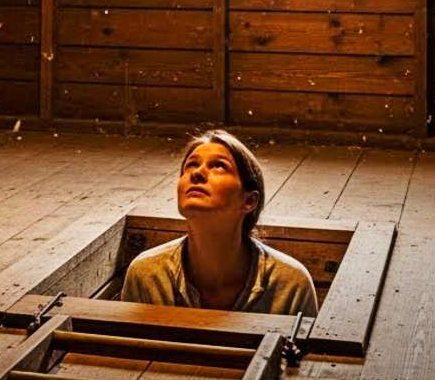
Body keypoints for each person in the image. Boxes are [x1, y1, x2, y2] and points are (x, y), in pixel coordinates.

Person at [120, 130, 318, 316]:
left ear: (249, 201)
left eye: (219, 166)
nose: (197, 173)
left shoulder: (291, 285)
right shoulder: (147, 276)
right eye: (191, 165)